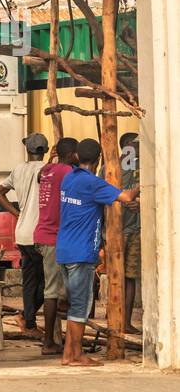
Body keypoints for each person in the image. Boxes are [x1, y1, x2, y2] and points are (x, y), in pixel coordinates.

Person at [56, 138, 140, 366]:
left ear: (76, 157)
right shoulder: (93, 184)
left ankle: (68, 355)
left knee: (75, 304)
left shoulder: (68, 179)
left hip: (63, 250)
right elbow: (127, 197)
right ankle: (75, 355)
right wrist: (147, 180)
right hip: (81, 252)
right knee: (80, 307)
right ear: (99, 159)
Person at [0, 133, 49, 335]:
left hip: (23, 232)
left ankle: (29, 321)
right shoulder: (48, 170)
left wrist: (17, 213)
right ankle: (27, 317)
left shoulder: (18, 170)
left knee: (30, 280)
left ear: (28, 150)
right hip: (41, 233)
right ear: (46, 149)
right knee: (48, 280)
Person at [32, 136, 78, 355]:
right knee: (53, 292)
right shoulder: (65, 172)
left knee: (57, 290)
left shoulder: (47, 171)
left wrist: (51, 160)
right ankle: (48, 342)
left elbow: (42, 176)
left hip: (42, 234)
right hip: (52, 237)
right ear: (72, 155)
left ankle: (55, 338)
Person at [119, 132, 142, 334]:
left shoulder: (143, 169)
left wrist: (140, 201)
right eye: (135, 144)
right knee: (120, 276)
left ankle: (125, 322)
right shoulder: (108, 168)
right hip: (116, 230)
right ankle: (118, 320)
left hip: (134, 229)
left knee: (129, 277)